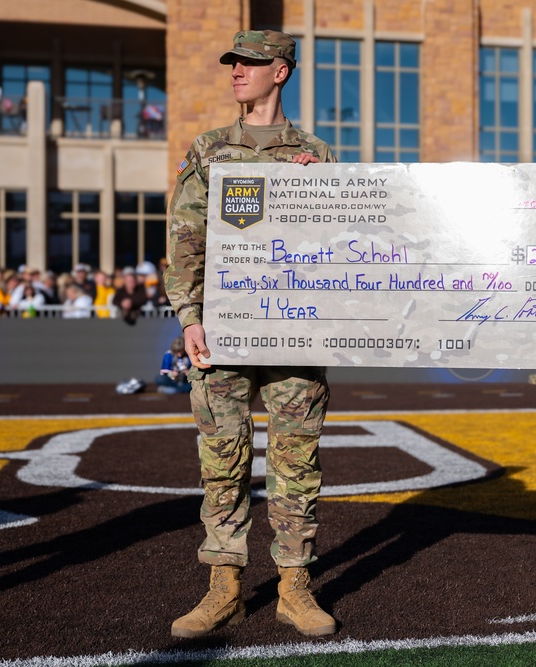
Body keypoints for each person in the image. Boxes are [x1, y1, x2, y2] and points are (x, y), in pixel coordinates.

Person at [165, 30, 339, 640]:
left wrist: (322, 189)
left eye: (252, 63)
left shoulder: (318, 153)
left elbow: (346, 248)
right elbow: (185, 239)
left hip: (296, 332)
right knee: (223, 459)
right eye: (234, 63)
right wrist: (189, 317)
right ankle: (225, 588)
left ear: (281, 72)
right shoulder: (211, 149)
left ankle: (295, 586)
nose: (238, 70)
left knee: (296, 460)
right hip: (224, 331)